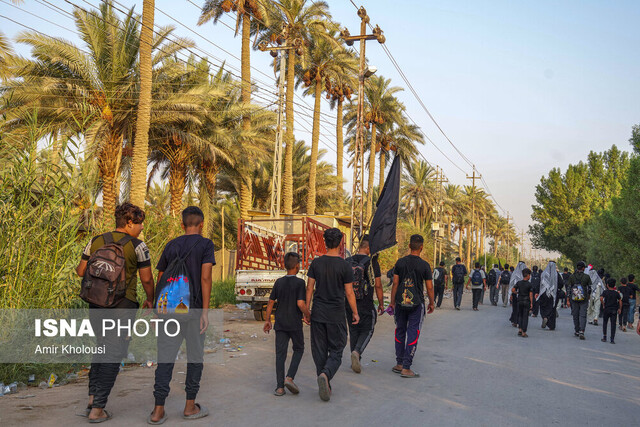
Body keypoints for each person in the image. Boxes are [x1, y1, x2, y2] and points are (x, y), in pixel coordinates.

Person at [76, 203, 154, 423]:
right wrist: (150, 299)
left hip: (96, 303)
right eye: (139, 224)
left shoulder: (96, 241)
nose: (141, 229)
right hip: (122, 305)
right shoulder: (138, 246)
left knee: (101, 348)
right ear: (129, 223)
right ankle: (98, 409)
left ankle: (92, 398)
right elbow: (146, 279)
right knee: (113, 353)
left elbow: (81, 271)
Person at [149, 206, 215, 423]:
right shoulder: (205, 244)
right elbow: (205, 278)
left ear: (182, 224)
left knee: (165, 359)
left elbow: (161, 279)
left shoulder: (171, 245)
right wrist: (205, 311)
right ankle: (189, 407)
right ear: (202, 224)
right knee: (195, 357)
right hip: (194, 311)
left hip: (169, 312)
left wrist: (157, 312)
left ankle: (158, 411)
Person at [305, 228, 358, 402]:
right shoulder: (345, 266)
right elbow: (349, 293)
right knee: (337, 348)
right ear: (341, 243)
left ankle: (324, 379)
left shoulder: (316, 263)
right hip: (336, 314)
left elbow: (310, 288)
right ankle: (326, 375)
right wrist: (355, 313)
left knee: (319, 350)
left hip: (318, 313)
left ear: (325, 242)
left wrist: (307, 310)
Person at [263, 252, 309, 396]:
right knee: (299, 349)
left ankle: (279, 387)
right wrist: (308, 315)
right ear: (297, 266)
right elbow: (301, 303)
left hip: (280, 323)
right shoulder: (300, 283)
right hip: (294, 323)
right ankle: (289, 377)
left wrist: (267, 320)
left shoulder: (279, 282)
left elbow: (270, 302)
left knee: (280, 355)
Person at [390, 234, 435, 378]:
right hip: (416, 304)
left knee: (400, 331)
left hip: (400, 302)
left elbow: (395, 283)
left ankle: (399, 363)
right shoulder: (425, 265)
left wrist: (392, 302)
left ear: (409, 246)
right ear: (421, 247)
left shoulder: (400, 262)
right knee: (413, 333)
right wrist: (432, 302)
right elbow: (429, 287)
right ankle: (407, 367)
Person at [345, 236, 384, 373]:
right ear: (367, 248)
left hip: (349, 303)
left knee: (354, 329)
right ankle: (357, 352)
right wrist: (380, 303)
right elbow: (378, 285)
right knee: (368, 329)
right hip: (366, 303)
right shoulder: (371, 263)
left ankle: (355, 360)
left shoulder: (348, 261)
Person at [567, 261, 593, 340]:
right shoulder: (587, 277)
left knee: (575, 314)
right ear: (583, 268)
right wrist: (588, 296)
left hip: (574, 298)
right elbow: (589, 288)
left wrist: (568, 298)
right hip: (584, 298)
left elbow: (569, 288)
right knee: (583, 315)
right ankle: (582, 330)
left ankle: (577, 330)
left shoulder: (572, 276)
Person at [538, 261, 561, 331]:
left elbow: (539, 283)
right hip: (553, 294)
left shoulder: (543, 273)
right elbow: (561, 284)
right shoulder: (557, 275)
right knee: (552, 309)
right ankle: (551, 325)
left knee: (543, 307)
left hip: (543, 294)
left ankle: (544, 317)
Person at [600, 278, 621, 344]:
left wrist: (603, 304)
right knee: (613, 324)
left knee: (605, 323)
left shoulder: (605, 292)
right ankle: (612, 339)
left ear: (607, 285)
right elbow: (620, 301)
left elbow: (601, 298)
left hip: (607, 309)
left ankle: (604, 336)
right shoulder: (616, 293)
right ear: (614, 285)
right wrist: (620, 308)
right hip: (614, 310)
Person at [514, 268, 534, 337]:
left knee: (520, 315)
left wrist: (517, 293)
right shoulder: (529, 284)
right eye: (530, 275)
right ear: (528, 275)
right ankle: (524, 332)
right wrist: (531, 303)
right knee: (525, 316)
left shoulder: (519, 283)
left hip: (519, 300)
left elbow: (513, 289)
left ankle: (520, 329)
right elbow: (530, 295)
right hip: (526, 301)